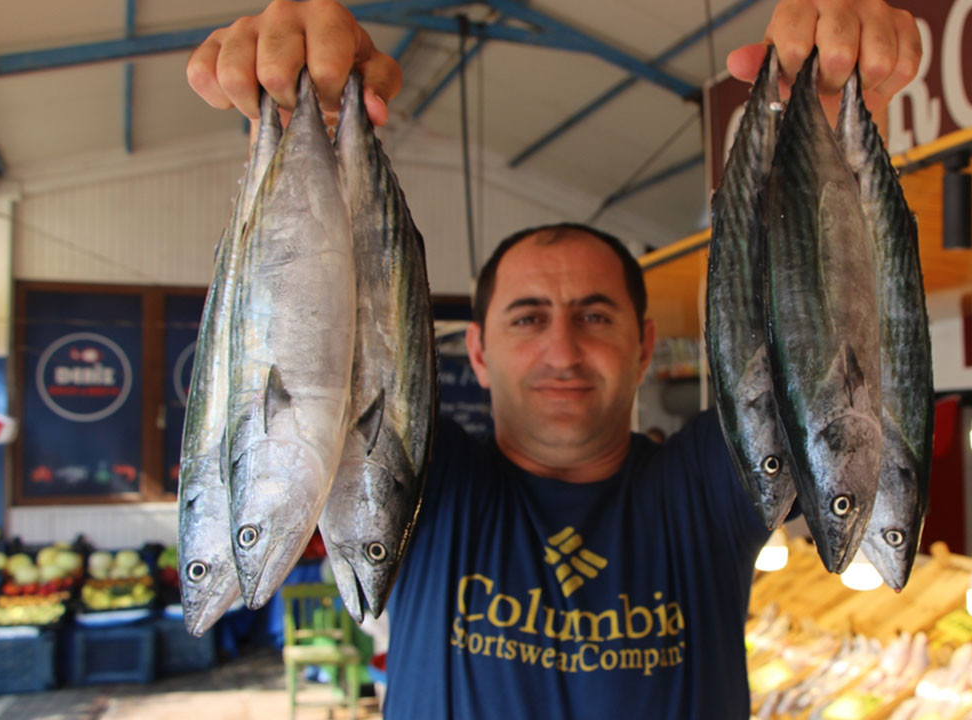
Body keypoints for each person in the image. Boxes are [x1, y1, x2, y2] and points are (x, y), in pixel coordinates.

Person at [187, 2, 921, 717]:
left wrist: (835, 106)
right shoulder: (422, 490)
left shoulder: (710, 488)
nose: (562, 349)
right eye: (528, 317)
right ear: (475, 350)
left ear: (643, 348)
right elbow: (313, 348)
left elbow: (824, 328)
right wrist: (296, 107)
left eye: (594, 316)